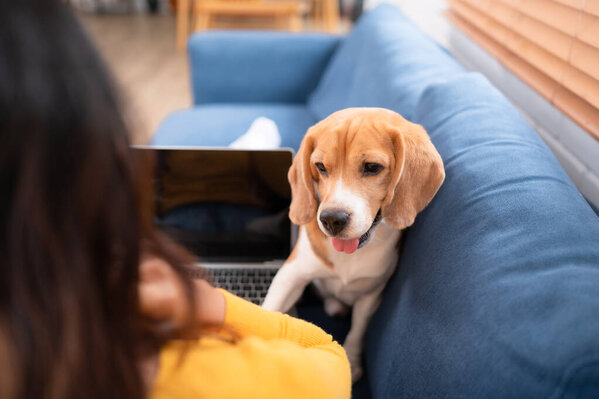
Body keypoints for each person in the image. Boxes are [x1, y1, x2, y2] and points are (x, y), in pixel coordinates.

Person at [0, 1, 351, 398]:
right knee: (246, 196)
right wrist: (213, 305)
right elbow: (331, 361)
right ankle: (248, 152)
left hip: (177, 213)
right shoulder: (183, 372)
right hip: (223, 228)